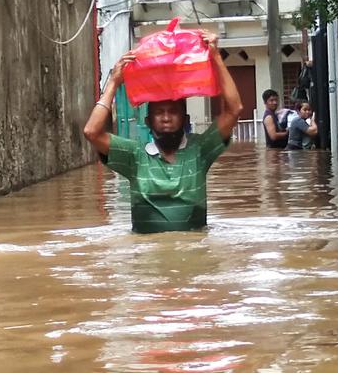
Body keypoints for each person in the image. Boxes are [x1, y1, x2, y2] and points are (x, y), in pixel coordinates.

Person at [83, 32, 243, 233]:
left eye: (173, 112)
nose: (166, 117)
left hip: (193, 252)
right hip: (147, 255)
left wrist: (216, 57)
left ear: (185, 120)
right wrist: (114, 82)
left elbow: (234, 110)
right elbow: (91, 131)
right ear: (148, 122)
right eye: (159, 113)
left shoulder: (200, 149)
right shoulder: (134, 155)